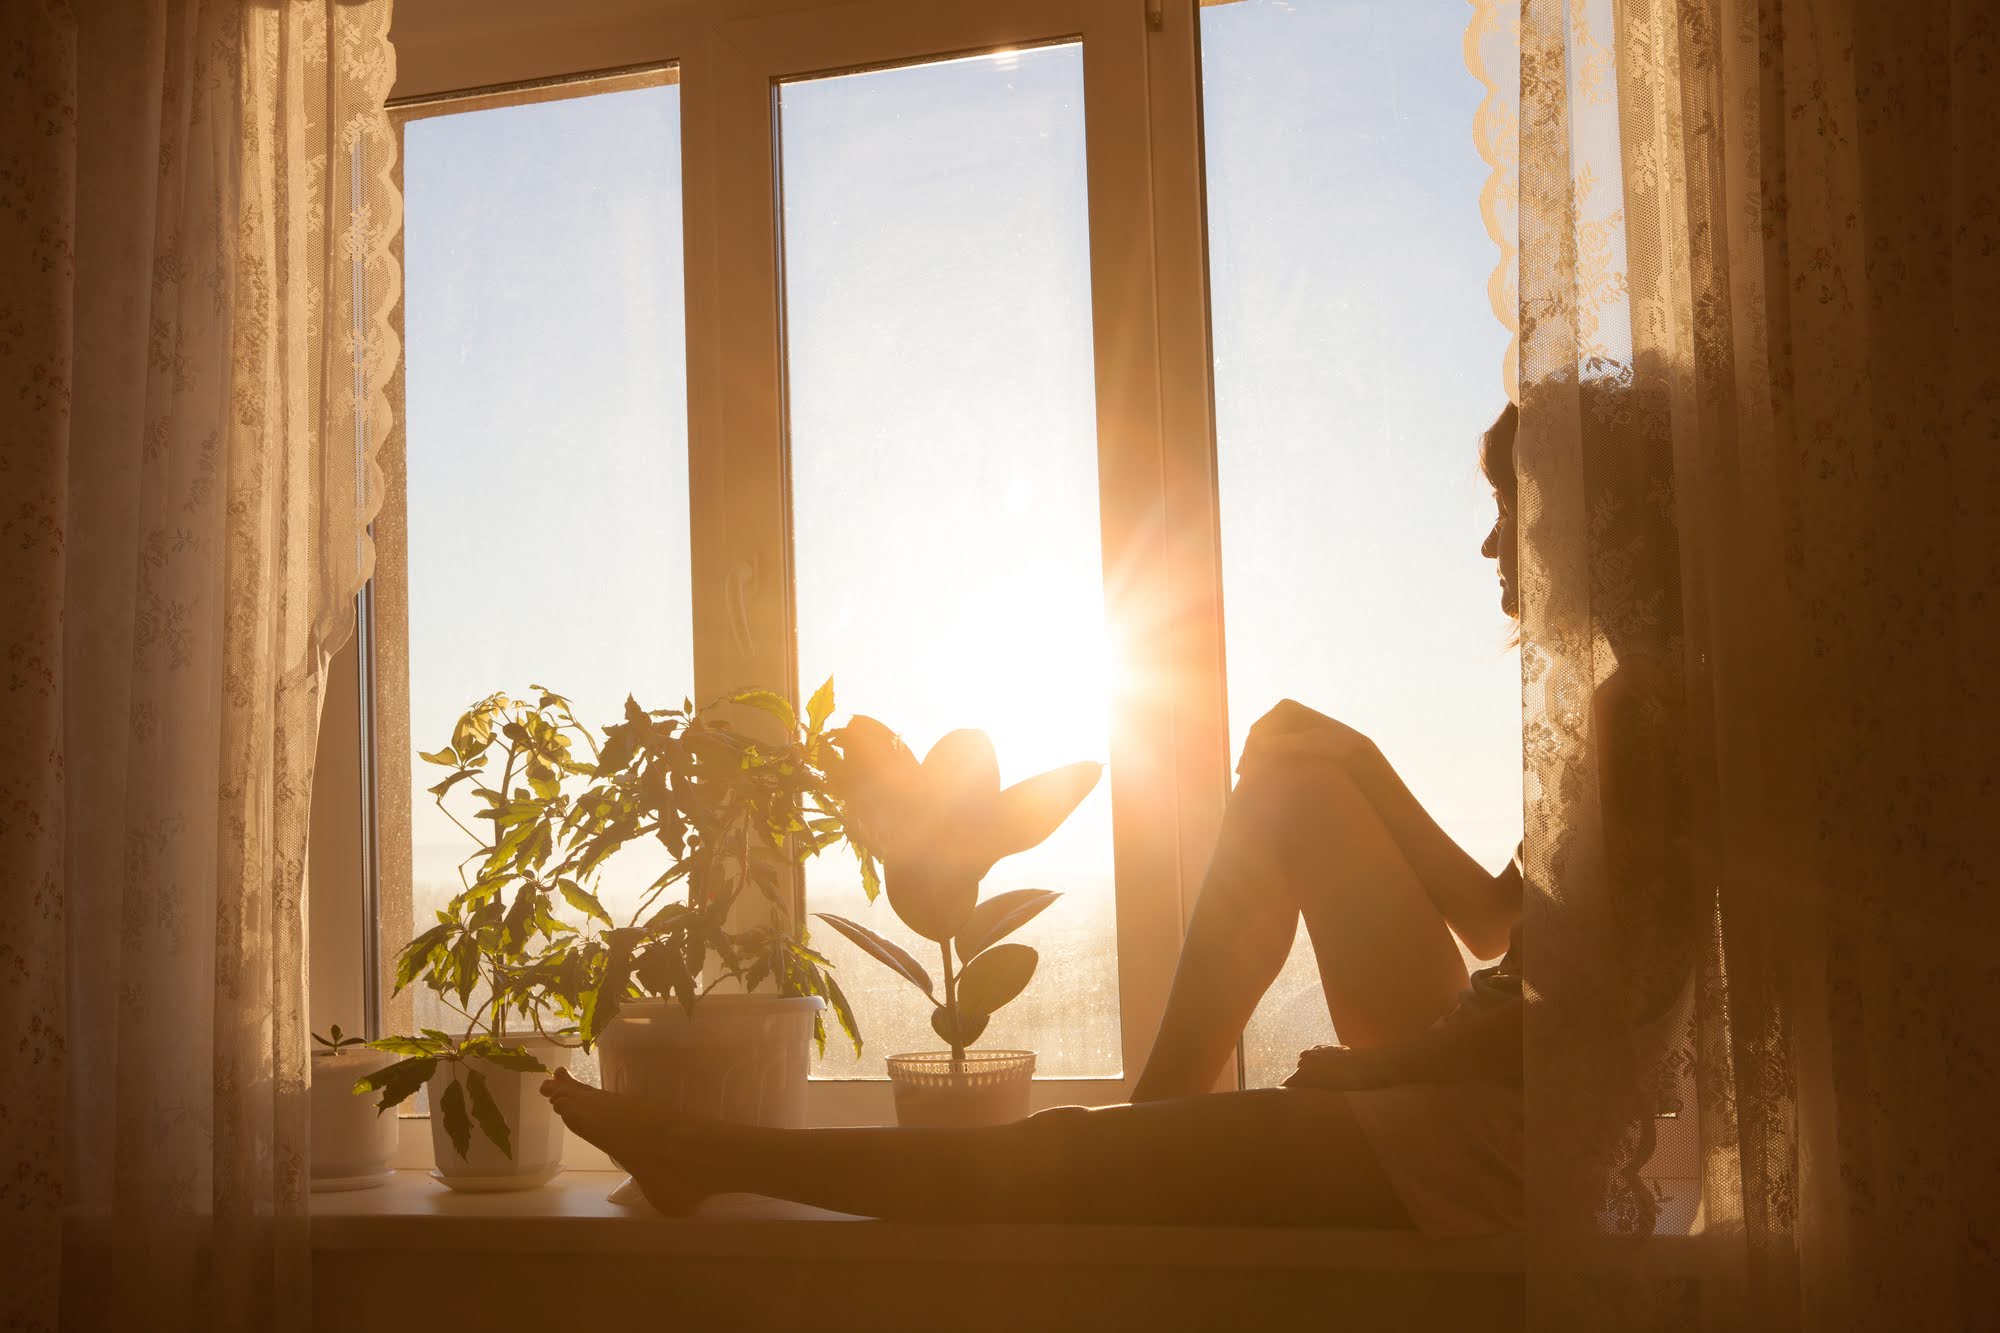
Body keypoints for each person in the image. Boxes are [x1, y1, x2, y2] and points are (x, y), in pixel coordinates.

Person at [541, 405, 1533, 1233]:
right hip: (1472, 1071)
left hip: (1491, 1131)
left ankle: (701, 1152)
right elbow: (1499, 926)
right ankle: (1153, 1127)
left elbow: (1562, 1027)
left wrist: (1380, 1075)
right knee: (1294, 783)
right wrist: (1356, 757)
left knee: (1058, 1162)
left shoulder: (1645, 717)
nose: (1491, 540)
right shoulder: (1602, 708)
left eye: (1513, 505)